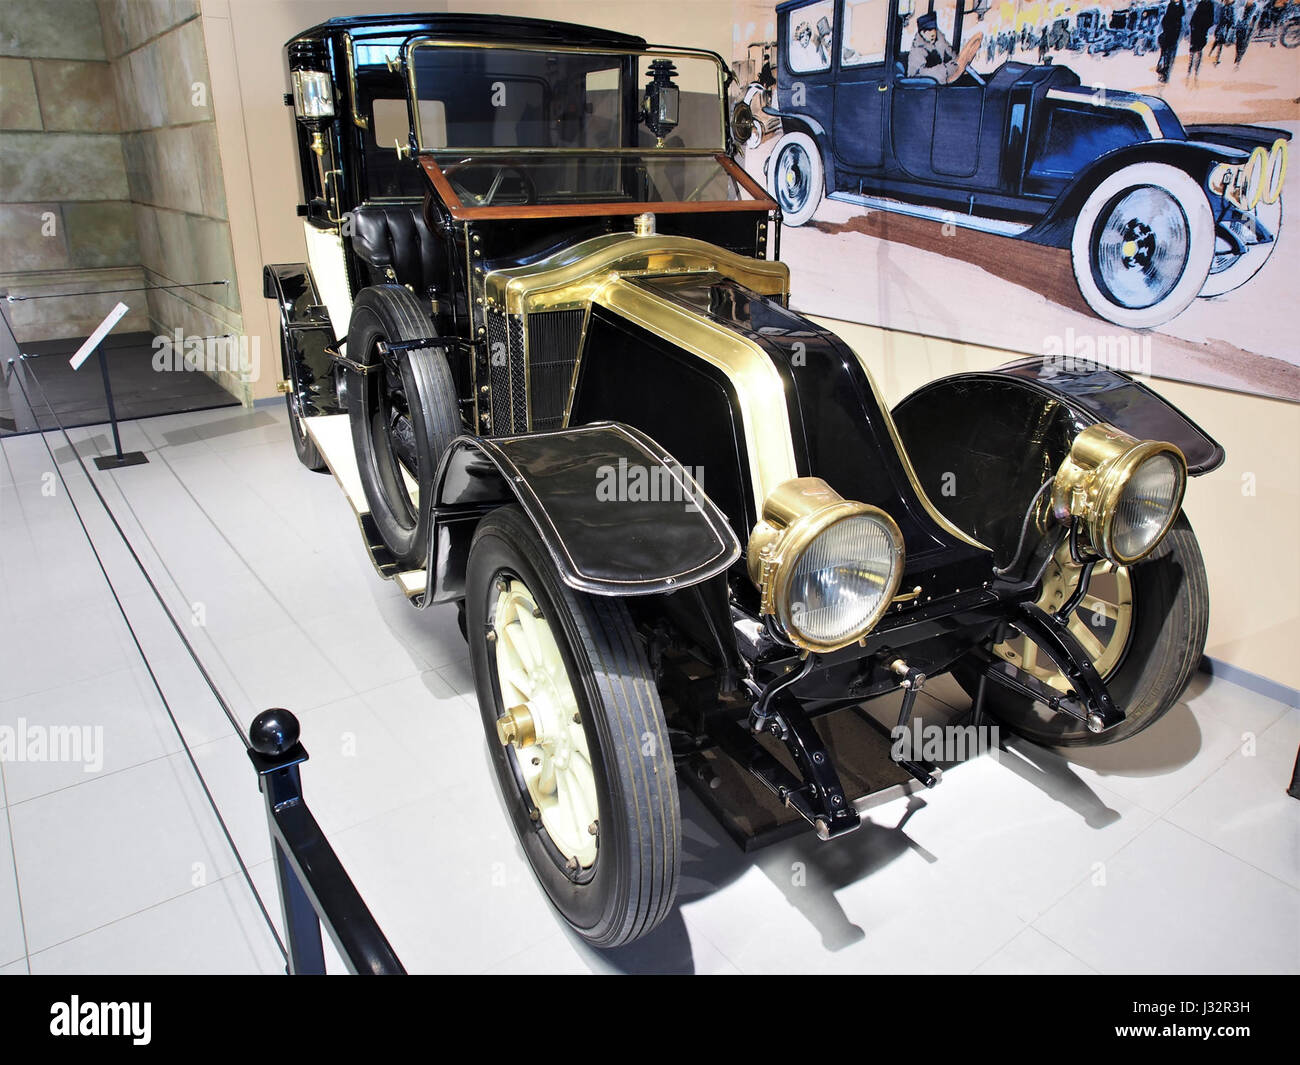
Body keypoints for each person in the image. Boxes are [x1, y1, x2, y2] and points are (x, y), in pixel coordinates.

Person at [907, 11, 983, 82]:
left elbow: (953, 57)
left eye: (934, 29)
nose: (933, 33)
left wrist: (958, 65)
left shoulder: (940, 42)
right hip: (929, 88)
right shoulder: (917, 51)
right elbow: (917, 75)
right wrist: (946, 70)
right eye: (928, 30)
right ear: (922, 33)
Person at [1156, 0, 1186, 82]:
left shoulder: (1179, 10)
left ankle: (1165, 75)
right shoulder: (1171, 6)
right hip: (1167, 36)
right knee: (1164, 55)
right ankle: (1162, 71)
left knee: (1168, 57)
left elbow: (1179, 26)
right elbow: (1165, 21)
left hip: (1172, 37)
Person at [1187, 0, 1216, 79]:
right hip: (1196, 30)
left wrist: (1205, 27)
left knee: (1199, 49)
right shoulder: (1201, 3)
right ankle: (1190, 68)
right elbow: (1195, 15)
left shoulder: (1210, 4)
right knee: (1193, 49)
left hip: (1202, 31)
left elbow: (1211, 19)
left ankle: (1196, 70)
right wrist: (1192, 24)